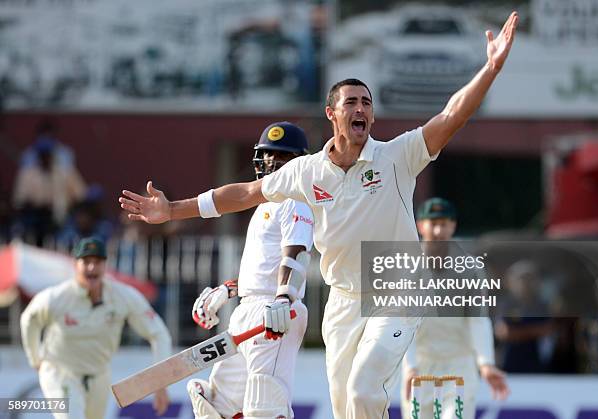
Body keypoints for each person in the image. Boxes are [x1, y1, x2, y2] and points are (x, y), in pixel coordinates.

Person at [119, 12, 518, 418]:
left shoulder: (396, 156)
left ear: (372, 117)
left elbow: (451, 117)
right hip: (342, 303)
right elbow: (244, 193)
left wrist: (490, 68)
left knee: (365, 388)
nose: (360, 109)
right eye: (351, 102)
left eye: (367, 103)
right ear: (333, 114)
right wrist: (173, 210)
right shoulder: (305, 171)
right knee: (346, 407)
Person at [186, 122, 314, 419]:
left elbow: (296, 254)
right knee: (219, 406)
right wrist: (226, 291)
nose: (270, 163)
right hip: (247, 311)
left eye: (280, 157)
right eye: (267, 156)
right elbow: (262, 268)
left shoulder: (296, 201)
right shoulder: (263, 206)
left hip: (276, 313)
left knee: (265, 409)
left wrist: (284, 298)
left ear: (297, 164)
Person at [20, 237, 172, 419]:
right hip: (60, 372)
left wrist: (160, 382)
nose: (92, 268)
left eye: (97, 262)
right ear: (76, 264)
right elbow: (29, 319)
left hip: (99, 374)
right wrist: (35, 359)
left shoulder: (122, 296)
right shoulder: (58, 296)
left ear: (105, 265)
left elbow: (158, 333)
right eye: (86, 262)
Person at [401, 198, 509, 419]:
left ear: (453, 226)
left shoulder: (471, 269)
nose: (439, 230)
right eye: (433, 223)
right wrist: (410, 366)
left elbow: (478, 319)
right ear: (421, 226)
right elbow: (404, 324)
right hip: (421, 366)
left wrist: (486, 364)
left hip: (459, 365)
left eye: (445, 223)